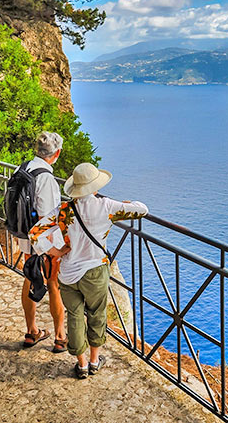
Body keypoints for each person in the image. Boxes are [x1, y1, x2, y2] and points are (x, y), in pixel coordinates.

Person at [29, 162, 148, 379]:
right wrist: (126, 203)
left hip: (68, 273)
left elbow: (35, 233)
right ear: (94, 187)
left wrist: (55, 251)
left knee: (74, 316)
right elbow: (142, 210)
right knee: (96, 314)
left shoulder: (63, 210)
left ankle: (81, 364)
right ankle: (95, 360)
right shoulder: (107, 206)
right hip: (95, 272)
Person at [17, 132, 68, 353]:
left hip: (24, 237)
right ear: (56, 154)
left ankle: (32, 332)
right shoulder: (45, 178)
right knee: (53, 284)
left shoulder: (24, 168)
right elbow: (47, 218)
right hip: (42, 242)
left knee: (29, 278)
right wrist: (54, 248)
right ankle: (60, 337)